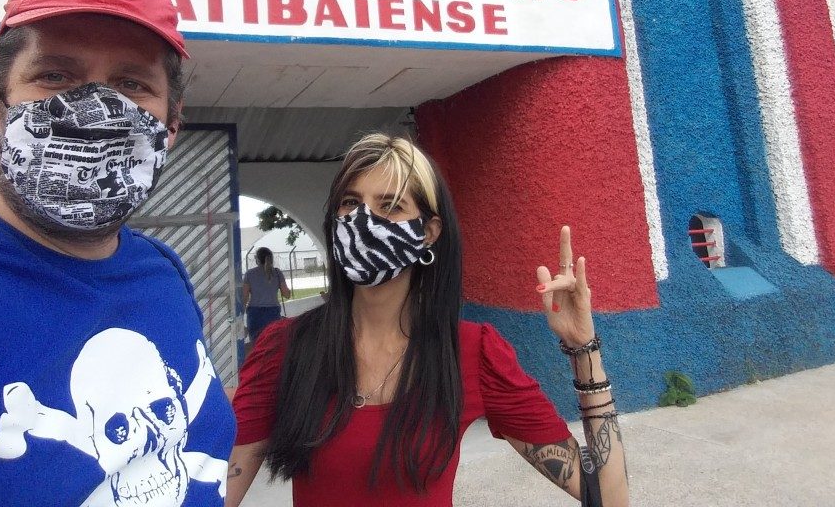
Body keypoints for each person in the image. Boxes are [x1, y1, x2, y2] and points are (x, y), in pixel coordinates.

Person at [0, 0, 236, 505]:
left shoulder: (163, 271)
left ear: (171, 127)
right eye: (56, 76)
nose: (94, 110)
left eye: (131, 84)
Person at [226, 134, 629, 506]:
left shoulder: (472, 353)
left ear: (429, 232)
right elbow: (213, 487)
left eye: (390, 205)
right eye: (350, 203)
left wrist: (583, 347)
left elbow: (609, 499)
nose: (364, 220)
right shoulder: (286, 349)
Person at [242, 247, 292, 343]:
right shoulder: (277, 273)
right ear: (271, 258)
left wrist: (240, 318)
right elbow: (287, 294)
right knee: (272, 344)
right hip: (273, 314)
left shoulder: (249, 274)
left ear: (257, 259)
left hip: (254, 314)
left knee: (257, 345)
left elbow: (244, 297)